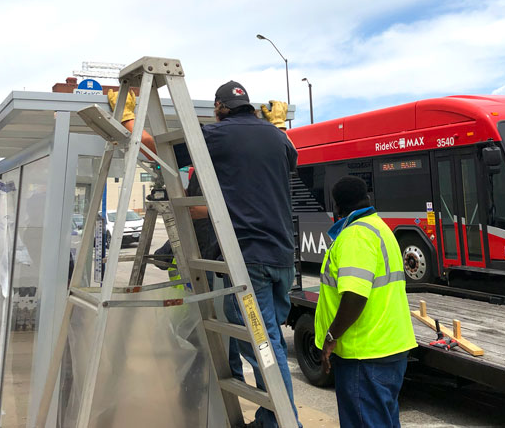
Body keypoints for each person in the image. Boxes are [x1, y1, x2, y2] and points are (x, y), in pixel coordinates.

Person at [110, 84, 300, 427]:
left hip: (248, 257)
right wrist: (279, 127)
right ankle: (273, 418)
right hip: (283, 256)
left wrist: (128, 119)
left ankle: (283, 423)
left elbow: (155, 149)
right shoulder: (278, 138)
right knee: (268, 338)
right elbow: (233, 198)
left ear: (219, 107)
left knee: (262, 342)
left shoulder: (215, 135)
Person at [315, 176, 417, 428]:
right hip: (388, 347)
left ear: (337, 207)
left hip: (364, 353)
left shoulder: (355, 236)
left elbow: (355, 296)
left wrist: (331, 337)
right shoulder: (380, 228)